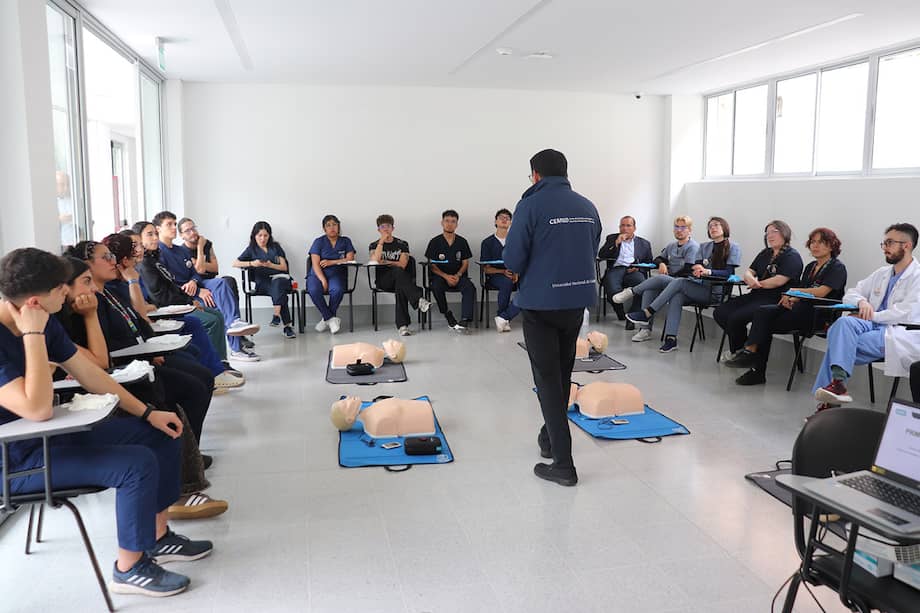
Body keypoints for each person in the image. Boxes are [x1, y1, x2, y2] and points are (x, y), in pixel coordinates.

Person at [0, 247, 211, 597]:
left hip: (54, 438)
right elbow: (36, 408)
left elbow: (91, 374)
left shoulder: (45, 321)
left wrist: (147, 412)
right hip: (17, 461)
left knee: (160, 431)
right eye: (60, 289)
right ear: (36, 301)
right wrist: (33, 336)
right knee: (135, 464)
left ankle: (158, 539)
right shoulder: (30, 328)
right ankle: (129, 568)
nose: (67, 293)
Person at [55, 254, 227, 520]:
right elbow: (101, 361)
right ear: (62, 288)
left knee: (185, 386)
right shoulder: (48, 325)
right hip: (76, 405)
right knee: (161, 405)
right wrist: (90, 315)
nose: (91, 289)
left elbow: (133, 326)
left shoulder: (103, 296)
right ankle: (178, 491)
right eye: (85, 281)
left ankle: (183, 471)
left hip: (111, 376)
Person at [504, 149, 601, 487]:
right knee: (561, 372)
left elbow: (513, 258)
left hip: (542, 304)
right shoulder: (587, 206)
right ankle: (549, 436)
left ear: (535, 175)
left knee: (547, 379)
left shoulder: (530, 205)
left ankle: (563, 463)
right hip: (577, 301)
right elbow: (593, 248)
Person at [111, 231, 243, 389]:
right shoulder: (135, 273)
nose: (139, 249)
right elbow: (146, 306)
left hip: (158, 313)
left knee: (214, 314)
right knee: (201, 322)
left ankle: (219, 366)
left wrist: (190, 297)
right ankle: (214, 372)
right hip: (153, 320)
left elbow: (175, 283)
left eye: (139, 244)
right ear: (124, 257)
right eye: (135, 245)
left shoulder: (152, 262)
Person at [813, 223, 920, 410]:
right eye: (883, 243)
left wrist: (872, 315)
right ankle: (837, 388)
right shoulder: (882, 273)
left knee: (839, 343)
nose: (884, 248)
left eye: (889, 243)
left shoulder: (917, 277)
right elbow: (853, 292)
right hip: (873, 323)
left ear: (907, 245)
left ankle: (830, 400)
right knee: (843, 323)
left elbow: (906, 312)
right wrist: (862, 303)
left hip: (898, 331)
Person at [723, 228, 847, 385]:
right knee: (762, 313)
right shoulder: (810, 267)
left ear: (831, 246)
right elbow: (803, 292)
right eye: (813, 242)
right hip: (799, 309)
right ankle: (751, 355)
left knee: (764, 323)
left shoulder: (837, 267)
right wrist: (791, 298)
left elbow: (821, 292)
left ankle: (755, 367)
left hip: (818, 316)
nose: (815, 246)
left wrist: (794, 292)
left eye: (821, 242)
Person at [136, 218, 260, 363]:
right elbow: (170, 286)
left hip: (195, 288)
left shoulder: (179, 251)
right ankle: (228, 354)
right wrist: (194, 295)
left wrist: (194, 281)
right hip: (182, 296)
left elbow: (199, 272)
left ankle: (232, 333)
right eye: (169, 225)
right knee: (215, 314)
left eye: (175, 224)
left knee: (225, 283)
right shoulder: (157, 256)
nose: (173, 227)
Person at [619, 217, 741, 353]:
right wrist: (698, 270)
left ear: (725, 227)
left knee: (678, 282)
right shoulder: (704, 246)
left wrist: (707, 271)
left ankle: (647, 311)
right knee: (677, 295)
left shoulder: (733, 247)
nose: (712, 228)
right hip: (698, 286)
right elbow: (695, 267)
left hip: (715, 292)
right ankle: (671, 339)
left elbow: (729, 272)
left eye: (716, 225)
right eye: (710, 226)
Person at [714, 220, 804, 361]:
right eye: (767, 233)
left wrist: (758, 283)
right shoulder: (765, 253)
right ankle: (741, 350)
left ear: (784, 233)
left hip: (774, 299)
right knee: (720, 312)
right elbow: (749, 271)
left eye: (774, 231)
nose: (770, 236)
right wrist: (750, 279)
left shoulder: (792, 256)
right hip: (755, 295)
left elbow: (779, 280)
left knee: (736, 318)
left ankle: (744, 353)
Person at [613, 215, 701, 342]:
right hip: (670, 282)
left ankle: (632, 291)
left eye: (683, 227)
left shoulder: (693, 247)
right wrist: (662, 263)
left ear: (689, 230)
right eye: (676, 227)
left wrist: (669, 276)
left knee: (660, 279)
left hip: (684, 283)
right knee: (650, 289)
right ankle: (645, 330)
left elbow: (688, 270)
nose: (679, 230)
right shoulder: (672, 245)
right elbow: (657, 259)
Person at [368, 214, 431, 336]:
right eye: (382, 226)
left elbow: (402, 264)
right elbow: (376, 260)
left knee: (400, 283)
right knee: (399, 275)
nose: (385, 229)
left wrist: (386, 262)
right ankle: (418, 299)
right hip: (383, 281)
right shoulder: (373, 245)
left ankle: (403, 327)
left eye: (388, 226)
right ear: (378, 230)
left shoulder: (402, 244)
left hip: (400, 280)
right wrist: (381, 242)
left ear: (393, 228)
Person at [232, 221, 296, 340]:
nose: (262, 239)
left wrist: (271, 265)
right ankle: (287, 326)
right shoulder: (251, 249)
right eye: (259, 235)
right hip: (263, 283)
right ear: (254, 236)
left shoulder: (276, 247)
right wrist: (252, 263)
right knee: (279, 292)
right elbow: (235, 263)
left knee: (278, 285)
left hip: (280, 279)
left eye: (265, 235)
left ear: (269, 236)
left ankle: (277, 316)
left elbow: (284, 267)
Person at [425, 210, 476, 331]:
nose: (450, 224)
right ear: (442, 223)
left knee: (470, 287)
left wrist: (458, 275)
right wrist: (446, 276)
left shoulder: (462, 242)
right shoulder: (435, 242)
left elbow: (465, 263)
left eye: (453, 221)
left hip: (459, 277)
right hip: (440, 277)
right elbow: (432, 265)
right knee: (436, 286)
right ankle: (447, 313)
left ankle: (465, 319)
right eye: (447, 221)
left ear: (457, 224)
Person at [597, 216, 653, 325]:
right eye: (622, 225)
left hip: (633, 270)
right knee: (612, 290)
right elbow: (601, 255)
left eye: (628, 225)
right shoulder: (611, 238)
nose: (625, 228)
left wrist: (638, 267)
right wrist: (616, 243)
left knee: (642, 285)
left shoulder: (644, 243)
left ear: (634, 228)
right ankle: (620, 313)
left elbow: (649, 261)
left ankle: (632, 316)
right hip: (616, 269)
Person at [306, 214, 356, 334]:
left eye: (334, 224)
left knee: (338, 290)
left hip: (337, 274)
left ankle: (326, 319)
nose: (332, 227)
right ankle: (331, 319)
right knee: (313, 290)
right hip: (317, 275)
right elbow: (315, 263)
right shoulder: (318, 242)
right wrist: (323, 280)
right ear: (324, 229)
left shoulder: (345, 241)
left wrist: (332, 262)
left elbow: (350, 258)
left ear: (338, 226)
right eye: (328, 225)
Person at [177, 216, 240, 308]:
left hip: (211, 280)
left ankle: (234, 319)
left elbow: (215, 268)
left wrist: (198, 261)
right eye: (187, 231)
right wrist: (200, 247)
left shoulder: (207, 244)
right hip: (196, 284)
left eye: (193, 228)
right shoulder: (182, 251)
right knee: (219, 288)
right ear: (181, 235)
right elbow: (200, 270)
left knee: (229, 281)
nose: (193, 232)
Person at [481, 208, 520, 332]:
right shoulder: (487, 243)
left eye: (507, 218)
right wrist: (503, 272)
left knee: (532, 285)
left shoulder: (516, 242)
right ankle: (504, 317)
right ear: (495, 221)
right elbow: (486, 269)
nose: (504, 220)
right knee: (506, 282)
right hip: (495, 276)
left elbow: (521, 260)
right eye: (501, 217)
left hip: (515, 275)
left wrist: (517, 273)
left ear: (510, 223)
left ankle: (503, 317)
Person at [330, 396, 435, 438]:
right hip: (425, 416)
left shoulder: (372, 410)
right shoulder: (377, 423)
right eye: (345, 403)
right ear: (350, 419)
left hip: (425, 410)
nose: (348, 397)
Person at [330, 340, 405, 369]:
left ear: (392, 355)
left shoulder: (375, 356)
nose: (390, 340)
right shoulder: (375, 351)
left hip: (339, 355)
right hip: (340, 352)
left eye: (392, 344)